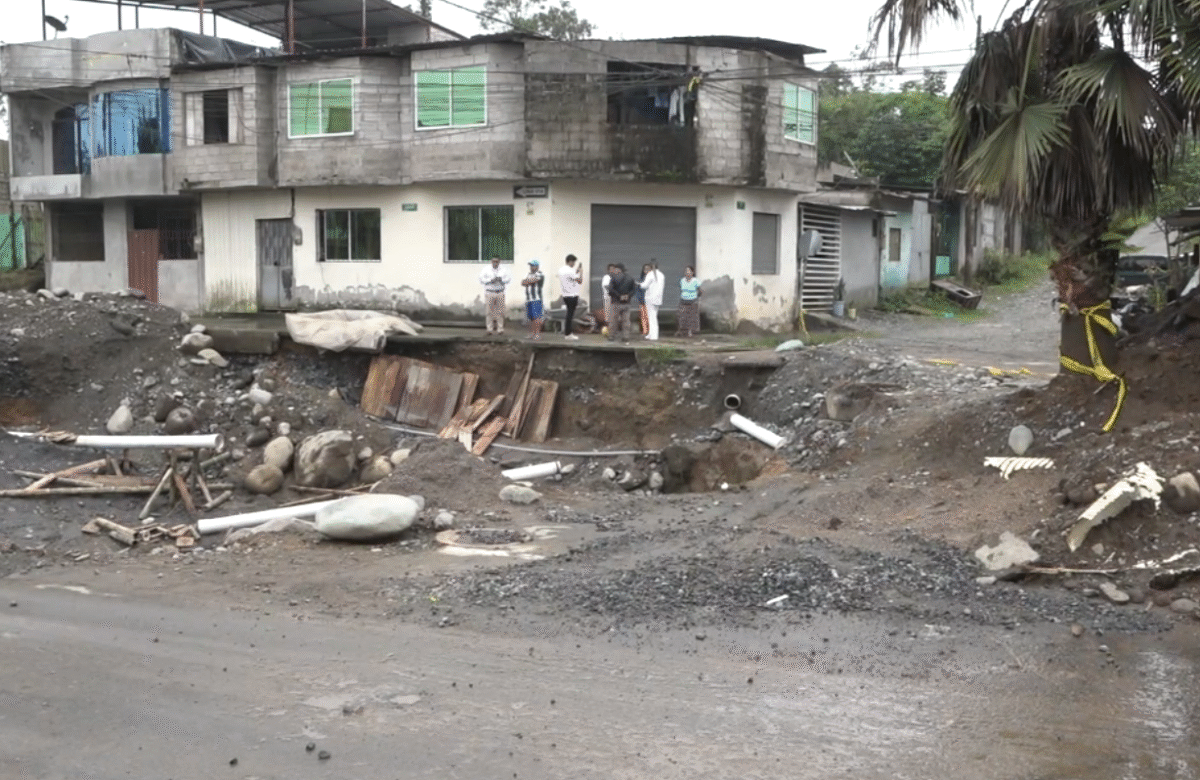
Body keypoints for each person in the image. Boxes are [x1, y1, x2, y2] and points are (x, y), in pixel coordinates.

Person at [478, 256, 511, 335]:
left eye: (497, 261)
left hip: (500, 292)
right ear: (491, 261)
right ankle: (489, 329)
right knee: (489, 312)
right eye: (493, 261)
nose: (495, 263)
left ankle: (500, 329)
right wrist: (490, 280)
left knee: (500, 312)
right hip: (490, 292)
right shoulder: (486, 269)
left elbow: (508, 279)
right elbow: (481, 279)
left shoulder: (504, 269)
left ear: (499, 262)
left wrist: (501, 280)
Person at [607, 263, 637, 344]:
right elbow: (634, 290)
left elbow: (610, 290)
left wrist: (619, 296)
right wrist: (628, 296)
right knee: (626, 320)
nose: (614, 270)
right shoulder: (631, 278)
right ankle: (626, 336)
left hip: (616, 302)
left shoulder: (613, 277)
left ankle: (612, 336)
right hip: (627, 303)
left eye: (616, 269)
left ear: (619, 269)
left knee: (614, 320)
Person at [557, 254, 583, 341]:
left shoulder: (561, 270)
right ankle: (568, 334)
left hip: (565, 295)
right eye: (573, 262)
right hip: (572, 295)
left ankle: (567, 333)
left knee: (569, 314)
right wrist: (581, 272)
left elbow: (570, 278)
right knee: (570, 315)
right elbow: (579, 281)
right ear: (570, 261)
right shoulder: (570, 271)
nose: (574, 264)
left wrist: (576, 272)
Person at [639, 260, 665, 341]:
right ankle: (650, 334)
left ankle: (654, 336)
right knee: (653, 317)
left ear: (651, 266)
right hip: (658, 299)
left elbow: (644, 285)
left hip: (650, 298)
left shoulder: (650, 274)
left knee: (652, 318)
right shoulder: (661, 275)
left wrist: (639, 284)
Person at [521, 259, 545, 340]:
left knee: (537, 317)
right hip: (528, 299)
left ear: (537, 266)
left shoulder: (540, 274)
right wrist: (528, 281)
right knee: (530, 318)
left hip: (536, 299)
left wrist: (527, 281)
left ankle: (537, 334)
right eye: (531, 265)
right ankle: (532, 333)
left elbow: (533, 280)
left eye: (533, 266)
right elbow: (522, 283)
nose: (531, 267)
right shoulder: (528, 274)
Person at [677, 265, 701, 337]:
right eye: (686, 271)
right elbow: (681, 289)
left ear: (692, 272)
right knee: (682, 316)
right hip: (683, 300)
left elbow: (700, 291)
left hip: (693, 300)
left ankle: (691, 332)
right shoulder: (682, 280)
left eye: (689, 271)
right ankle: (683, 331)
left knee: (692, 317)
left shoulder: (696, 281)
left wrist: (697, 297)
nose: (687, 272)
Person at [600, 264, 616, 336]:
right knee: (608, 315)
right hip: (608, 298)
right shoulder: (607, 277)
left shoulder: (615, 277)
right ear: (608, 270)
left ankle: (613, 330)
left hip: (615, 299)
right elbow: (606, 286)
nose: (612, 270)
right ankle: (608, 331)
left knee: (614, 315)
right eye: (611, 269)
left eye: (614, 269)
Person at [637, 264, 650, 336]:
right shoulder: (641, 280)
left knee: (649, 317)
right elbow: (638, 290)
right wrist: (640, 299)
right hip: (642, 301)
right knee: (643, 316)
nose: (646, 270)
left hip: (650, 301)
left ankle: (650, 331)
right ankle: (645, 331)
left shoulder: (653, 280)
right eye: (645, 269)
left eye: (648, 269)